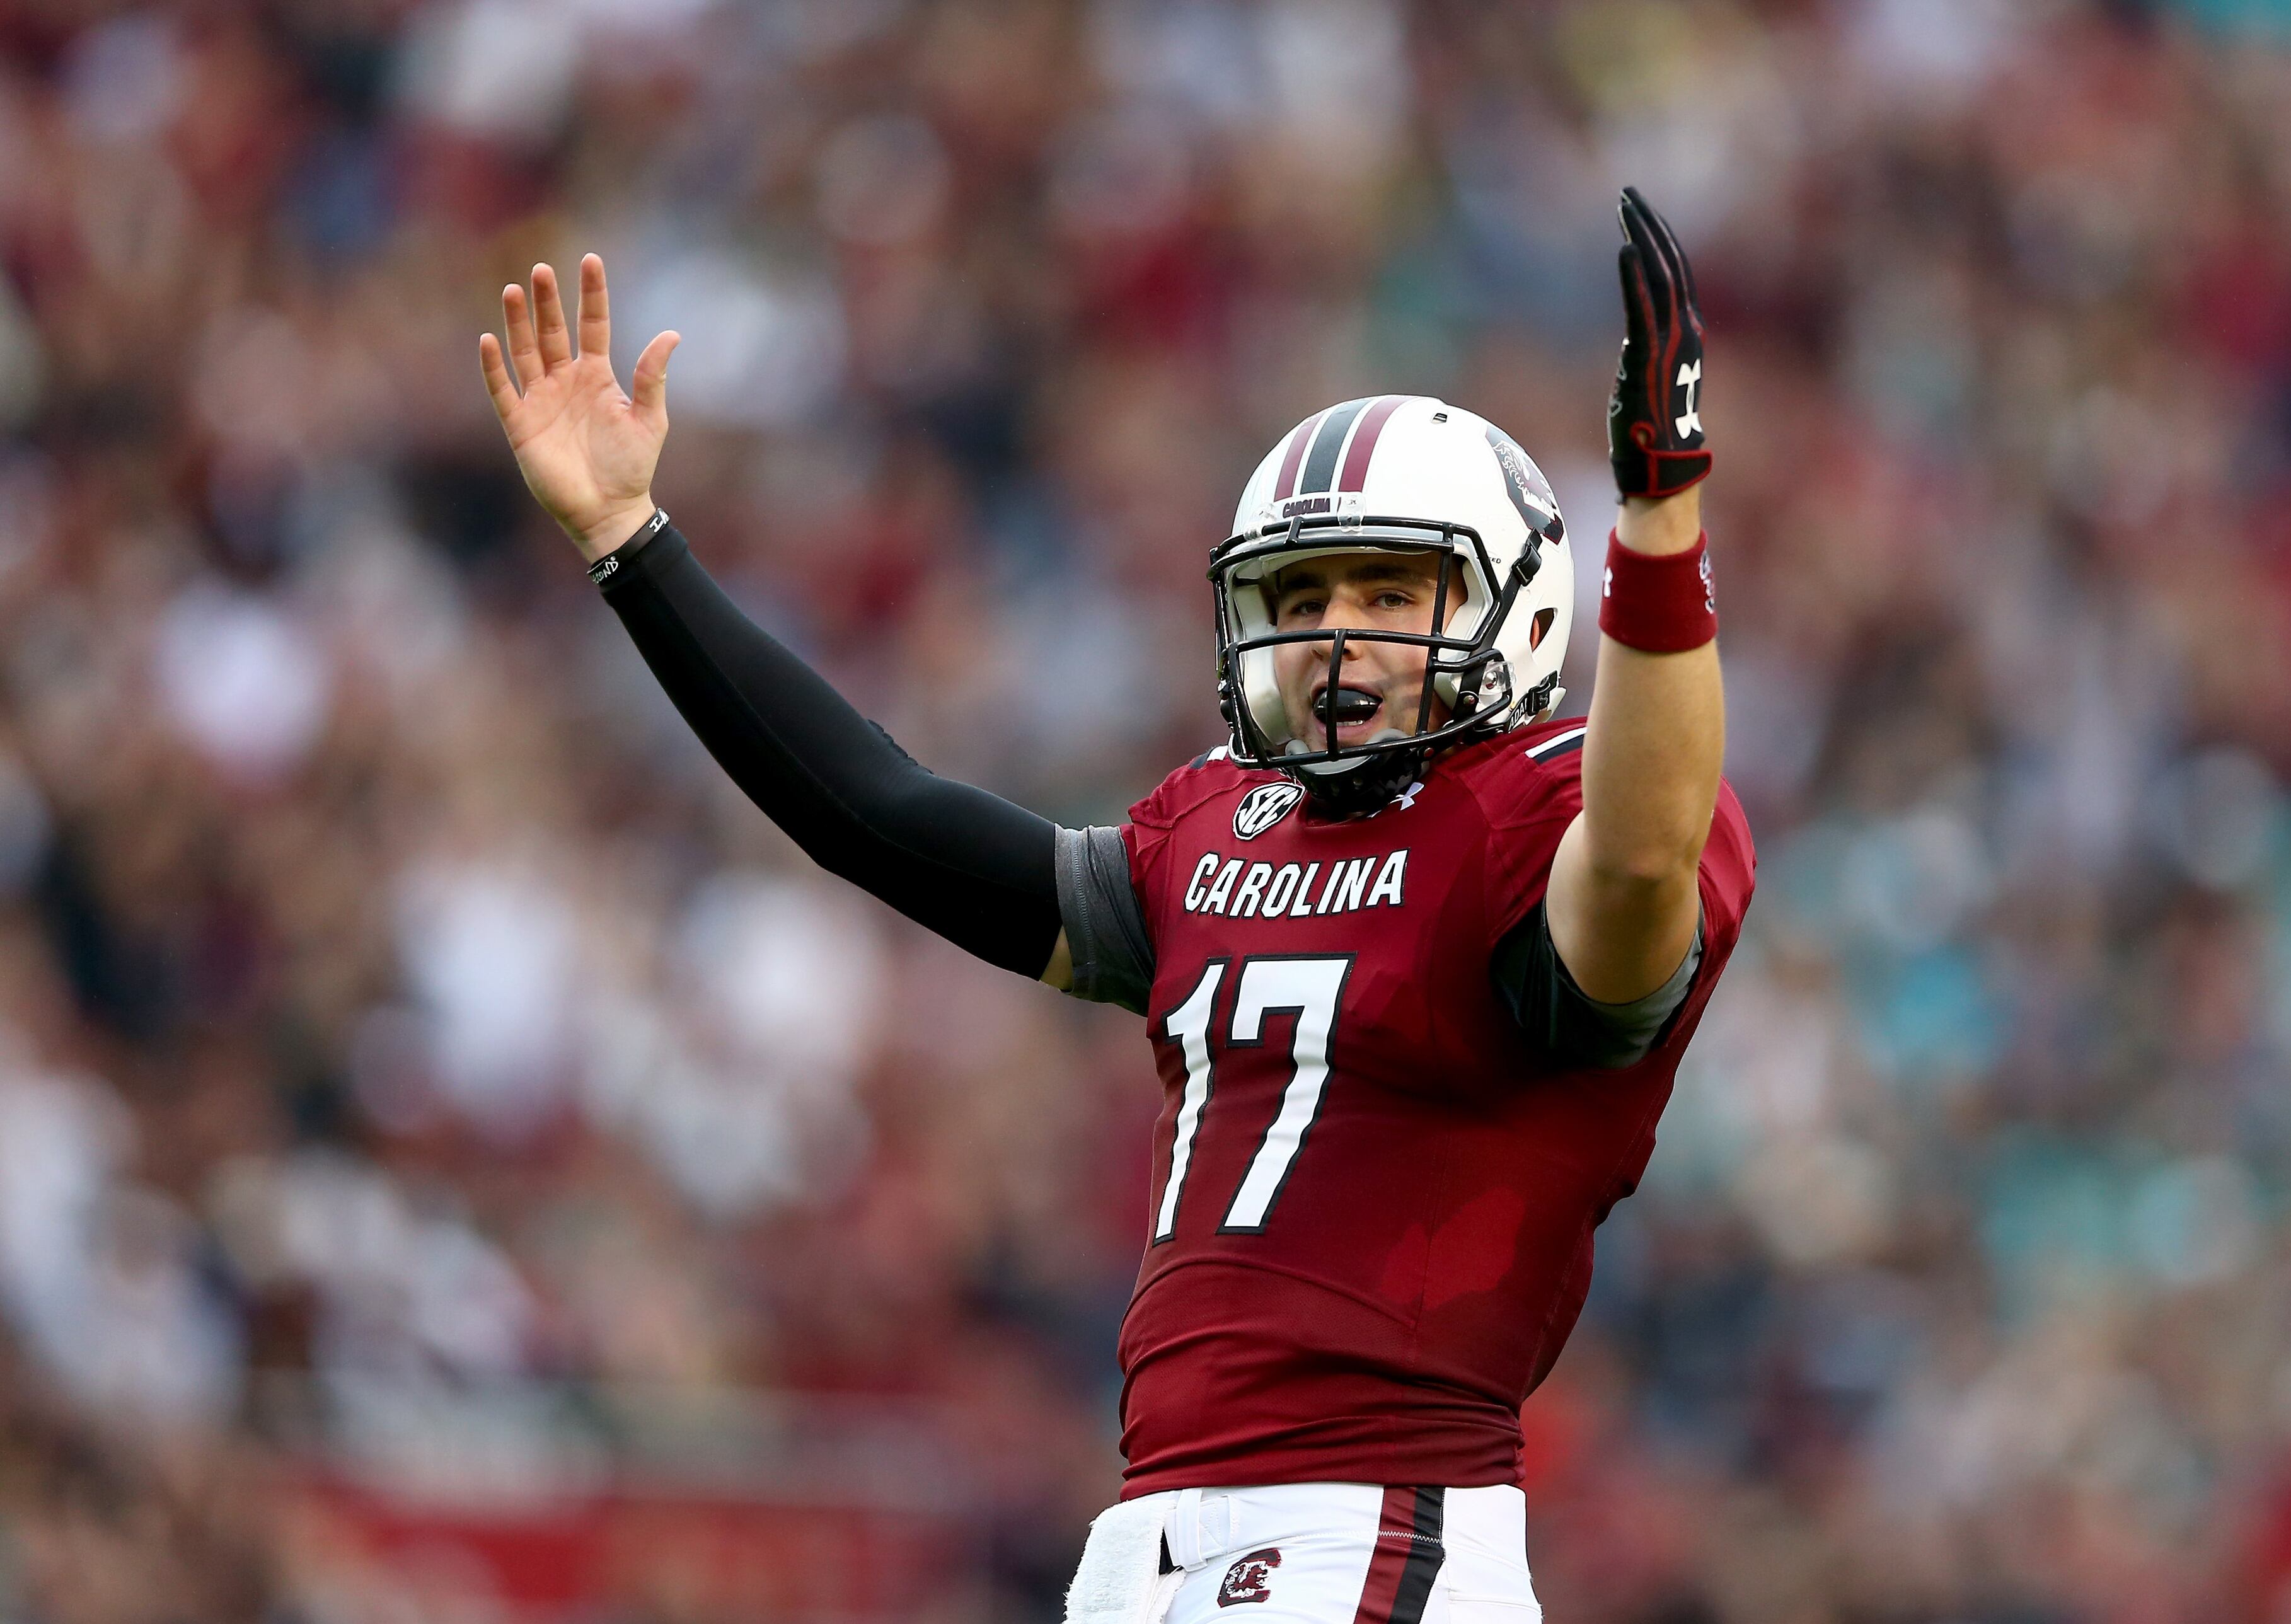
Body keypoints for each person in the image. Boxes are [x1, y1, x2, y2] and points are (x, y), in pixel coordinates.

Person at [478, 188, 1753, 1624]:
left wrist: (1659, 530)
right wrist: (634, 547)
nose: (1337, 636)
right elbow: (883, 818)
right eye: (1304, 590)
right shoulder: (1216, 819)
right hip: (1151, 1532)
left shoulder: (1546, 804)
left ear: (1514, 608)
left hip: (1373, 1527)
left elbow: (1642, 867)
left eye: (1391, 591)